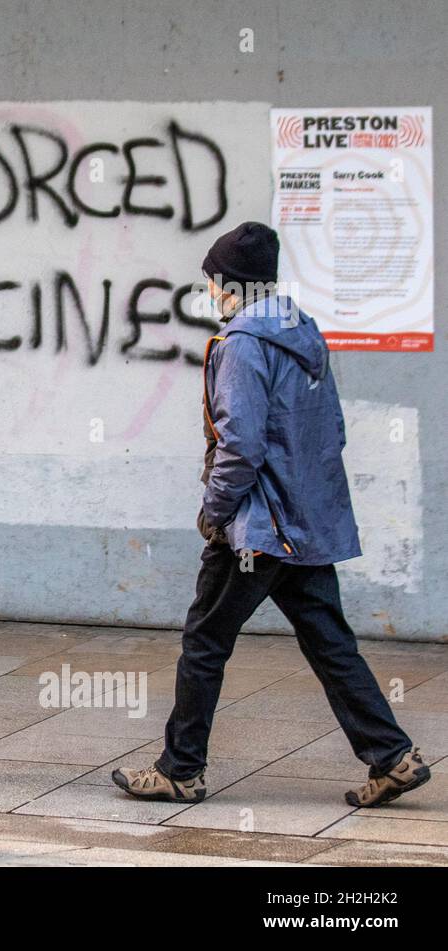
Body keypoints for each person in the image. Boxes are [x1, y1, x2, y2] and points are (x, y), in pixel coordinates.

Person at [112, 221, 428, 808]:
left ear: (229, 285)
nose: (209, 292)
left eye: (212, 281)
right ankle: (393, 757)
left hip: (256, 530)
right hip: (304, 525)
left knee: (205, 640)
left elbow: (241, 445)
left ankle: (181, 768)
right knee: (330, 643)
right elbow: (328, 432)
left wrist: (215, 511)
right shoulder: (302, 335)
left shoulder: (242, 345)